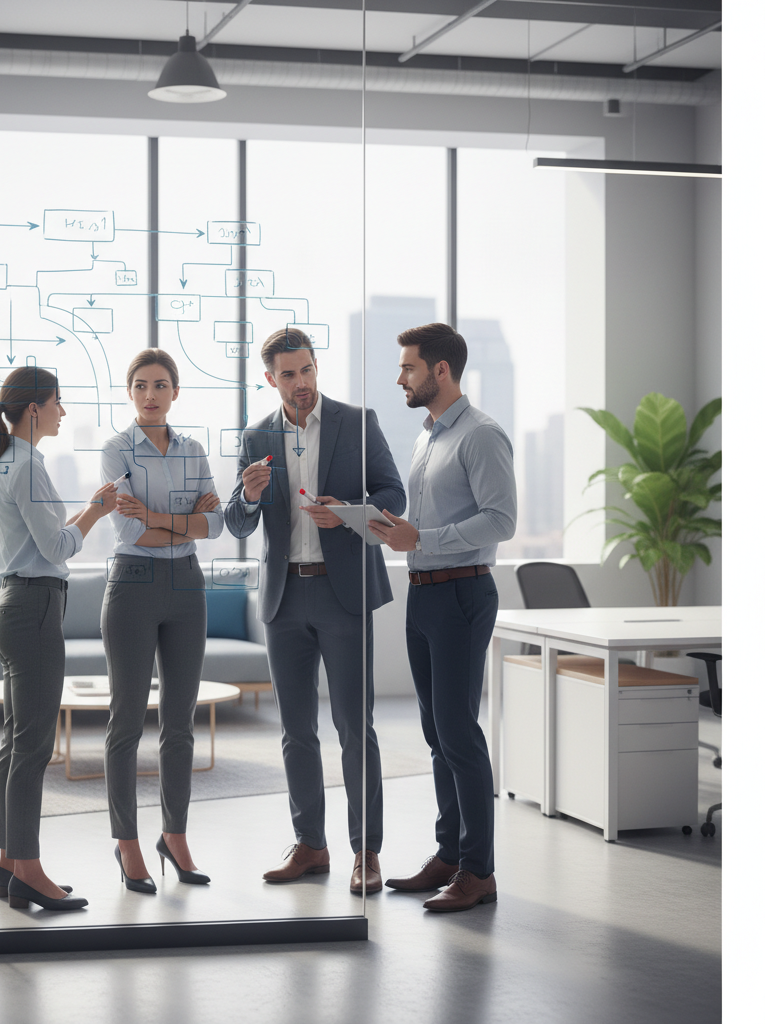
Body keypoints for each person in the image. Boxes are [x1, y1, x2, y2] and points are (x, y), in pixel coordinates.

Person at [224, 327, 405, 894]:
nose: (300, 383)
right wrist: (249, 496)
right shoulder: (256, 437)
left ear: (315, 367)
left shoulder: (357, 422)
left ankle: (366, 851)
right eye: (287, 375)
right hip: (284, 598)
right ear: (270, 379)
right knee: (296, 732)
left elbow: (393, 496)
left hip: (343, 592)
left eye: (306, 371)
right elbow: (236, 521)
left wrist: (350, 512)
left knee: (355, 727)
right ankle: (311, 845)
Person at [368, 322, 516, 912]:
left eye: (408, 367)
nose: (400, 377)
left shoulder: (481, 435)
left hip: (462, 593)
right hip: (423, 593)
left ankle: (479, 872)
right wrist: (379, 524)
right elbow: (416, 530)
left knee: (459, 733)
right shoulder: (427, 436)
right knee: (436, 734)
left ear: (441, 371)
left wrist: (423, 536)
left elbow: (501, 520)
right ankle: (450, 854)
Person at [0, 366, 117, 912]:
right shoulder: (28, 466)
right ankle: (30, 872)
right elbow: (57, 548)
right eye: (59, 401)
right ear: (34, 408)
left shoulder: (9, 460)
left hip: (14, 604)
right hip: (33, 607)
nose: (64, 411)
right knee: (33, 747)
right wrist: (95, 510)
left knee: (16, 743)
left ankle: (10, 866)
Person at [100, 349, 223, 894]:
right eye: (141, 385)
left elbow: (216, 524)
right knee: (126, 722)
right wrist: (184, 524)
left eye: (161, 385)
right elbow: (130, 535)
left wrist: (155, 517)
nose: (151, 394)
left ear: (175, 393)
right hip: (132, 586)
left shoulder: (194, 450)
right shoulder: (115, 449)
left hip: (187, 590)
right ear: (129, 393)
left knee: (180, 724)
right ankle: (127, 843)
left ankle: (175, 837)